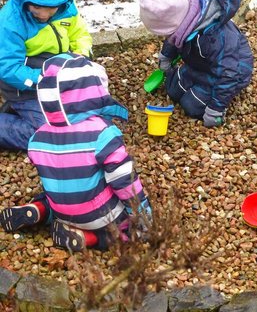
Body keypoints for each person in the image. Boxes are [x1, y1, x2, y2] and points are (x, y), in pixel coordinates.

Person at [0, 53, 152, 252]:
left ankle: (39, 209)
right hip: (98, 214)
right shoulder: (103, 134)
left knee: (60, 190)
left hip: (62, 210)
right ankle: (88, 238)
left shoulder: (38, 137)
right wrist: (142, 213)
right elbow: (123, 179)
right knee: (131, 231)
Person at [0, 0, 92, 150]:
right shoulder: (10, 22)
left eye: (52, 9)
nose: (44, 14)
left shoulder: (66, 8)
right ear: (25, 0)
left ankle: (19, 113)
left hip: (59, 79)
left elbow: (80, 35)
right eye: (38, 8)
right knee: (49, 135)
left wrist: (82, 56)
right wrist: (43, 80)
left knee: (89, 117)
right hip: (25, 88)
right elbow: (7, 67)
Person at [139, 0, 253, 127]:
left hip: (228, 73)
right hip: (199, 64)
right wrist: (166, 56)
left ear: (180, 25)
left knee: (191, 106)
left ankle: (211, 101)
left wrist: (215, 109)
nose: (167, 37)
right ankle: (195, 84)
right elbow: (173, 39)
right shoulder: (185, 16)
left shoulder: (217, 38)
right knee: (173, 89)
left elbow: (228, 75)